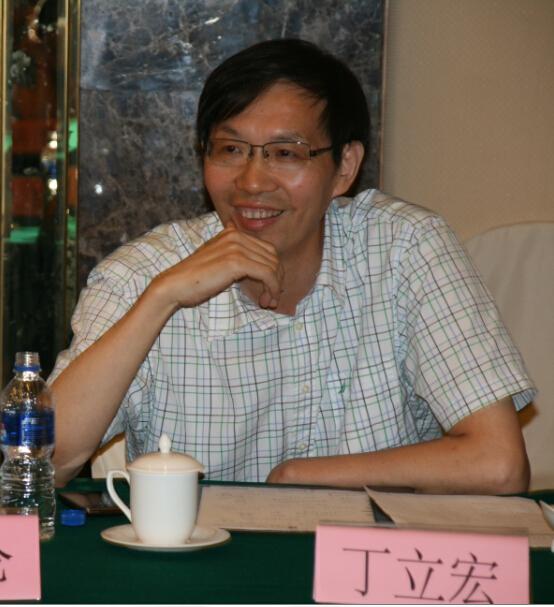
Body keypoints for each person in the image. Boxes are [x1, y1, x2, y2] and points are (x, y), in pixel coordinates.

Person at [49, 38, 534, 493]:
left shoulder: (405, 247)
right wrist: (162, 298)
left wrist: (299, 478)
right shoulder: (141, 273)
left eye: (285, 153)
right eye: (230, 150)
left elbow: (499, 464)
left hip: (370, 553)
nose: (252, 182)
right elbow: (44, 461)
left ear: (345, 167)